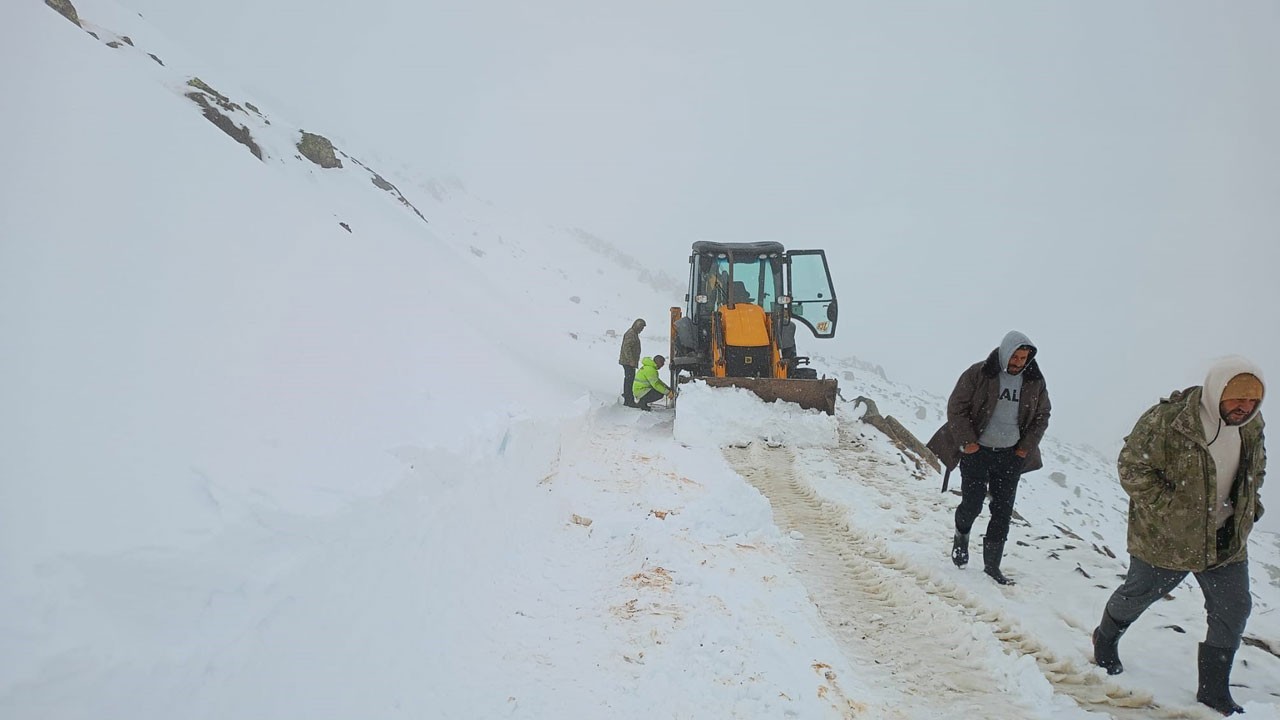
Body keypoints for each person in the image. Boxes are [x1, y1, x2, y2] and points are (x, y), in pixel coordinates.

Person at [1092, 357, 1265, 716]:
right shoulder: (1171, 420)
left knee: (1233, 607)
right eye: (1237, 399)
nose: (1244, 408)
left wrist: (1251, 502)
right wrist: (1169, 507)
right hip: (1168, 538)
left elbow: (1256, 466)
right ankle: (1105, 638)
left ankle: (1214, 690)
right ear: (1218, 389)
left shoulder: (1250, 425)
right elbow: (1132, 465)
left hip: (1226, 538)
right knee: (1138, 595)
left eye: (1253, 401)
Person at [926, 330, 1052, 585]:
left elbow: (1042, 415)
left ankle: (992, 566)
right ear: (1005, 352)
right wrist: (968, 443)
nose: (1018, 362)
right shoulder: (980, 373)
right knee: (972, 504)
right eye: (1015, 357)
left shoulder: (1034, 381)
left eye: (1023, 357)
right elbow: (956, 407)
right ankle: (961, 538)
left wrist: (1024, 449)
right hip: (977, 453)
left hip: (1011, 456)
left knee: (1002, 511)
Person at [619, 319, 645, 408]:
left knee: (630, 379)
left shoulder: (633, 333)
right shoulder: (631, 334)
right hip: (628, 362)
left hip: (629, 362)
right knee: (629, 380)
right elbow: (627, 348)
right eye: (641, 328)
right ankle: (628, 400)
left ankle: (628, 396)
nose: (641, 330)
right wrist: (631, 360)